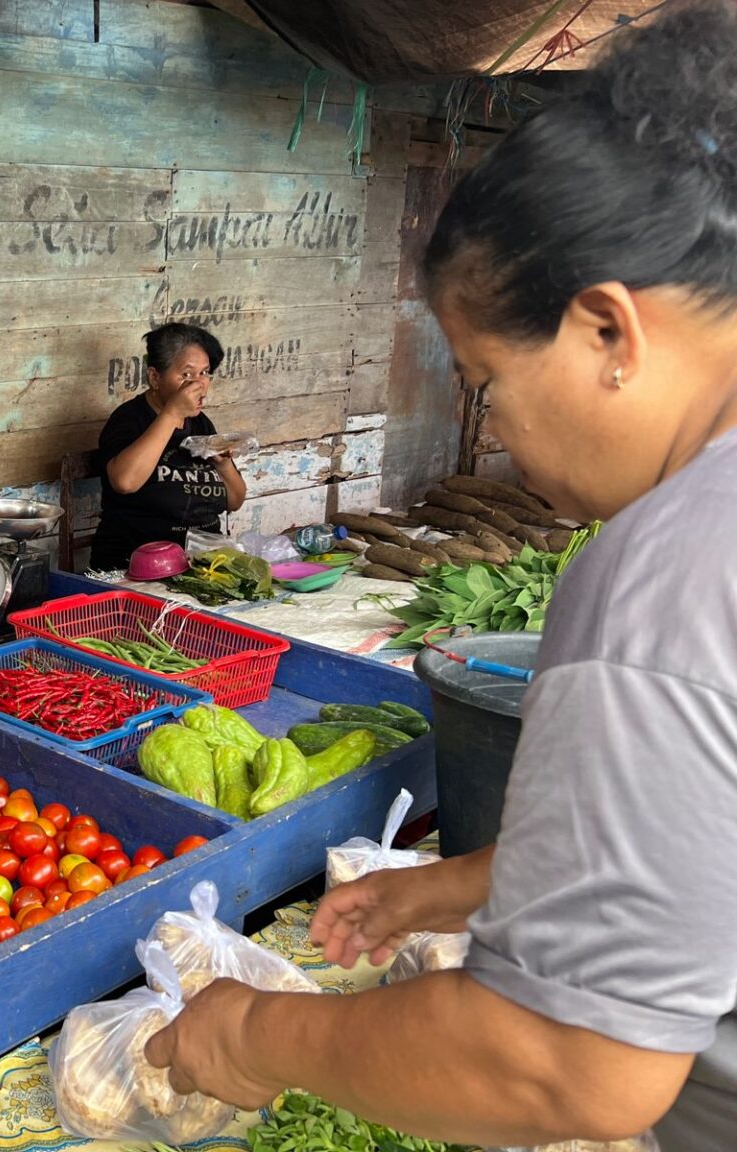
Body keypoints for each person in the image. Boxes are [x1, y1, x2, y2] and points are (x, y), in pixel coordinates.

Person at [143, 3, 737, 1148]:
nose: (498, 433)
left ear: (610, 333)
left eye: (485, 382)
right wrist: (447, 888)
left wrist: (250, 1037)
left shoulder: (667, 574)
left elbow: (562, 1072)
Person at [88, 323, 247, 571]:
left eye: (204, 373)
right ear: (155, 377)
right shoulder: (130, 420)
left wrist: (223, 463)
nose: (199, 385)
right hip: (137, 567)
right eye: (186, 374)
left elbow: (235, 501)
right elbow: (125, 482)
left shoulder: (201, 424)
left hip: (200, 562)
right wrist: (172, 414)